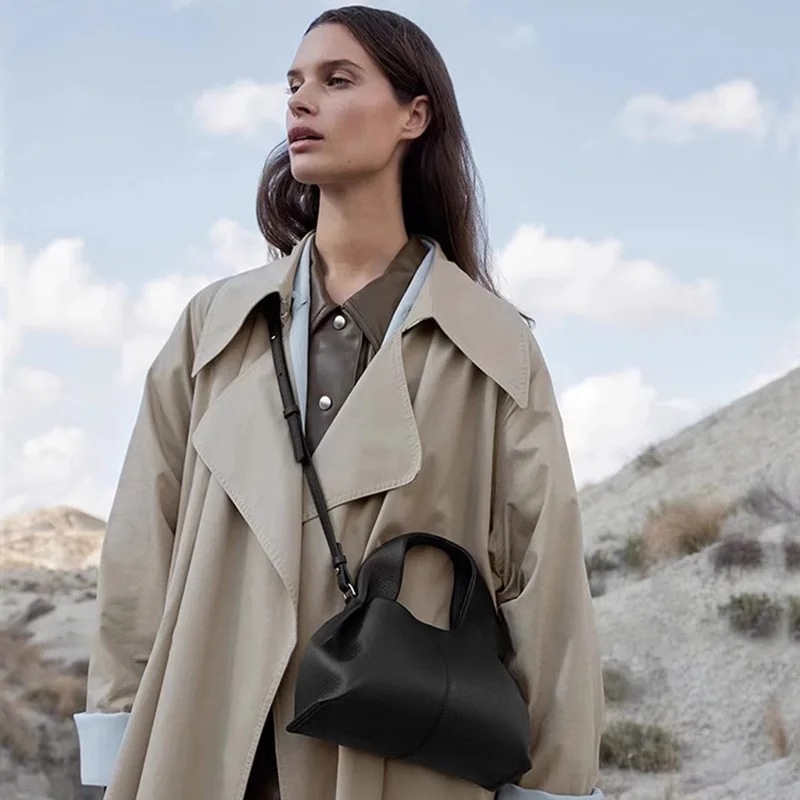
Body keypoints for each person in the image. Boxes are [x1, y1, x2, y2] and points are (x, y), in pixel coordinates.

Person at [73, 6, 604, 800]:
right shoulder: (214, 326)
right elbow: (142, 543)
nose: (299, 101)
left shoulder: (493, 349)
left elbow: (544, 583)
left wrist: (554, 781)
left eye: (336, 79)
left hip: (397, 754)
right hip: (208, 737)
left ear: (413, 116)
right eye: (293, 83)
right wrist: (120, 729)